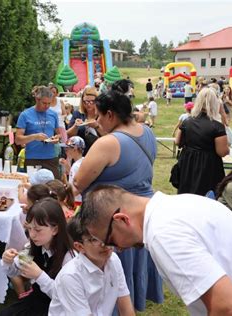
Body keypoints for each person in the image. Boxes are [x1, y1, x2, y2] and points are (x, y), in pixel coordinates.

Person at [72, 83, 164, 311]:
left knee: (113, 275)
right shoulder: (148, 132)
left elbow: (78, 182)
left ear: (110, 115)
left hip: (113, 221)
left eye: (100, 116)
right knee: (130, 272)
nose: (98, 121)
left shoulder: (109, 143)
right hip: (141, 216)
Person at [80, 185, 232, 315]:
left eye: (111, 241)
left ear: (121, 219)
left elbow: (227, 307)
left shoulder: (162, 234)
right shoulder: (179, 203)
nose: (117, 249)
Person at [0, 198, 75, 315]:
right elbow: (15, 271)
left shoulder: (69, 258)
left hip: (56, 309)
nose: (32, 235)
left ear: (55, 229)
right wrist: (7, 261)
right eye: (29, 228)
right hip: (35, 301)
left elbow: (65, 298)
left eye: (38, 230)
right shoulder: (33, 247)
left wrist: (39, 275)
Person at [48, 215, 134, 316]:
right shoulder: (70, 276)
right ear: (80, 247)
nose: (104, 243)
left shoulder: (113, 260)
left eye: (106, 235)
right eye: (94, 239)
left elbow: (125, 305)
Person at [175, 87, 229, 195]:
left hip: (188, 162)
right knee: (206, 197)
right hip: (208, 165)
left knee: (187, 194)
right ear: (215, 103)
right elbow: (222, 152)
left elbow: (177, 141)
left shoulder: (187, 121)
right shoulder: (217, 126)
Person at [15, 86, 61, 178]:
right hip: (33, 159)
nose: (47, 106)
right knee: (33, 188)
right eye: (44, 103)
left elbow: (58, 133)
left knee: (54, 187)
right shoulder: (25, 115)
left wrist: (57, 138)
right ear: (37, 99)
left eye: (49, 103)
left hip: (51, 158)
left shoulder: (53, 114)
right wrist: (34, 137)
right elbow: (18, 140)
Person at [66, 86, 103, 156]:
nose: (89, 104)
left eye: (92, 101)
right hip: (80, 154)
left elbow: (108, 135)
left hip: (99, 153)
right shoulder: (78, 114)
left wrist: (97, 126)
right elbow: (69, 134)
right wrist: (75, 126)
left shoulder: (102, 115)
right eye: (86, 101)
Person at [59, 136, 85, 206]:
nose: (65, 150)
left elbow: (77, 188)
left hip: (76, 201)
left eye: (67, 148)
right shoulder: (83, 161)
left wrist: (66, 198)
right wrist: (68, 167)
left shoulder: (76, 166)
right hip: (82, 199)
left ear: (75, 149)